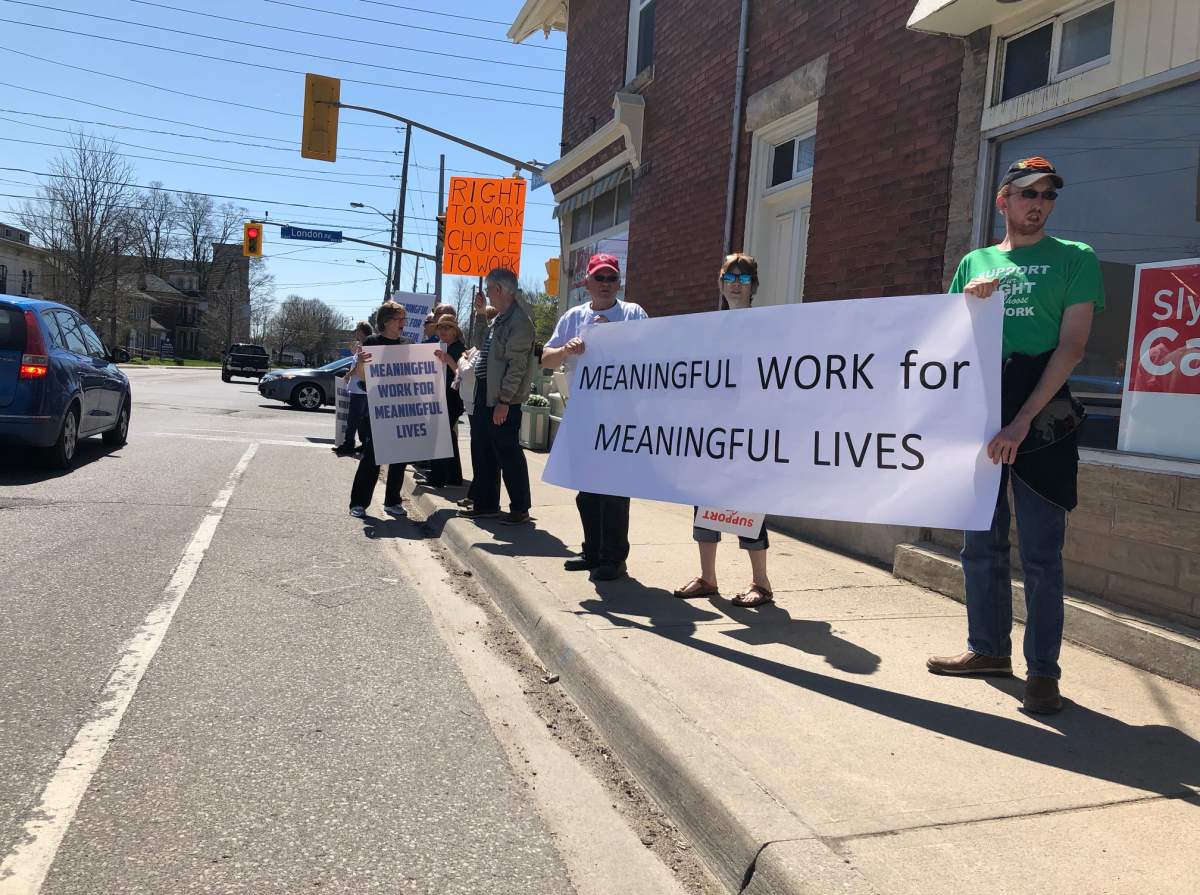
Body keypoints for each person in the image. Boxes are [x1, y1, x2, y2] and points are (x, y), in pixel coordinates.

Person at [927, 156, 1104, 715]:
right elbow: (945, 343)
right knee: (979, 543)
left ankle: (1043, 672)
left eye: (1048, 195)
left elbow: (1072, 345)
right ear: (1002, 200)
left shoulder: (1075, 258)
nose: (1038, 203)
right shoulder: (974, 261)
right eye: (1027, 193)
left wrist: (1023, 419)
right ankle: (987, 650)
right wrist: (966, 305)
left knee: (1042, 554)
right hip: (980, 410)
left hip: (1043, 415)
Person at [672, 254, 773, 605]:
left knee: (747, 503)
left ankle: (761, 582)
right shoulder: (709, 329)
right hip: (711, 430)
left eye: (743, 279)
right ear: (720, 282)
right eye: (729, 276)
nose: (735, 283)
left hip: (747, 430)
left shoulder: (767, 327)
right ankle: (707, 577)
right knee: (705, 501)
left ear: (753, 287)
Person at [541, 253, 648, 581]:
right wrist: (565, 350)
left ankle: (614, 559)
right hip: (583, 414)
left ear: (619, 283)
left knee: (613, 489)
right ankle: (592, 551)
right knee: (587, 491)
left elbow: (650, 353)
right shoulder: (573, 317)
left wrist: (612, 335)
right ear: (586, 283)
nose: (605, 284)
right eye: (599, 278)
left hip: (620, 415)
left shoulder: (632, 313)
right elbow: (545, 358)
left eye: (611, 278)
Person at [452, 268, 535, 525]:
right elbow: (478, 344)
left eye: (489, 289)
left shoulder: (519, 322)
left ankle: (519, 508)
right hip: (485, 394)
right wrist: (479, 315)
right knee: (484, 450)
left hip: (501, 399)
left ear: (500, 290)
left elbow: (517, 366)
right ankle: (485, 504)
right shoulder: (500, 319)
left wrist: (504, 401)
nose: (487, 294)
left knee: (507, 452)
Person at [348, 301, 412, 519]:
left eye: (404, 319)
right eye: (399, 319)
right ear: (386, 321)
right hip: (378, 407)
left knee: (400, 456)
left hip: (402, 406)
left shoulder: (407, 344)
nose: (403, 323)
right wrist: (361, 363)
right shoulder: (372, 342)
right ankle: (358, 502)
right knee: (373, 456)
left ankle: (393, 501)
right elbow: (363, 376)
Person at [429, 314, 466, 488]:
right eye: (440, 327)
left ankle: (438, 479)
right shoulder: (441, 346)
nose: (443, 330)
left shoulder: (459, 348)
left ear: (455, 331)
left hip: (453, 399)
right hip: (441, 397)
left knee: (441, 436)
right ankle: (453, 477)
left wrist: (448, 360)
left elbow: (463, 373)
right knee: (448, 437)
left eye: (447, 327)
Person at [333, 320, 372, 457]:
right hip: (359, 389)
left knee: (353, 419)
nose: (355, 332)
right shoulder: (361, 346)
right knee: (361, 419)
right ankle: (364, 444)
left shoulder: (366, 346)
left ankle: (348, 445)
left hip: (360, 389)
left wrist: (348, 375)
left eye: (357, 330)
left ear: (362, 331)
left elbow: (360, 367)